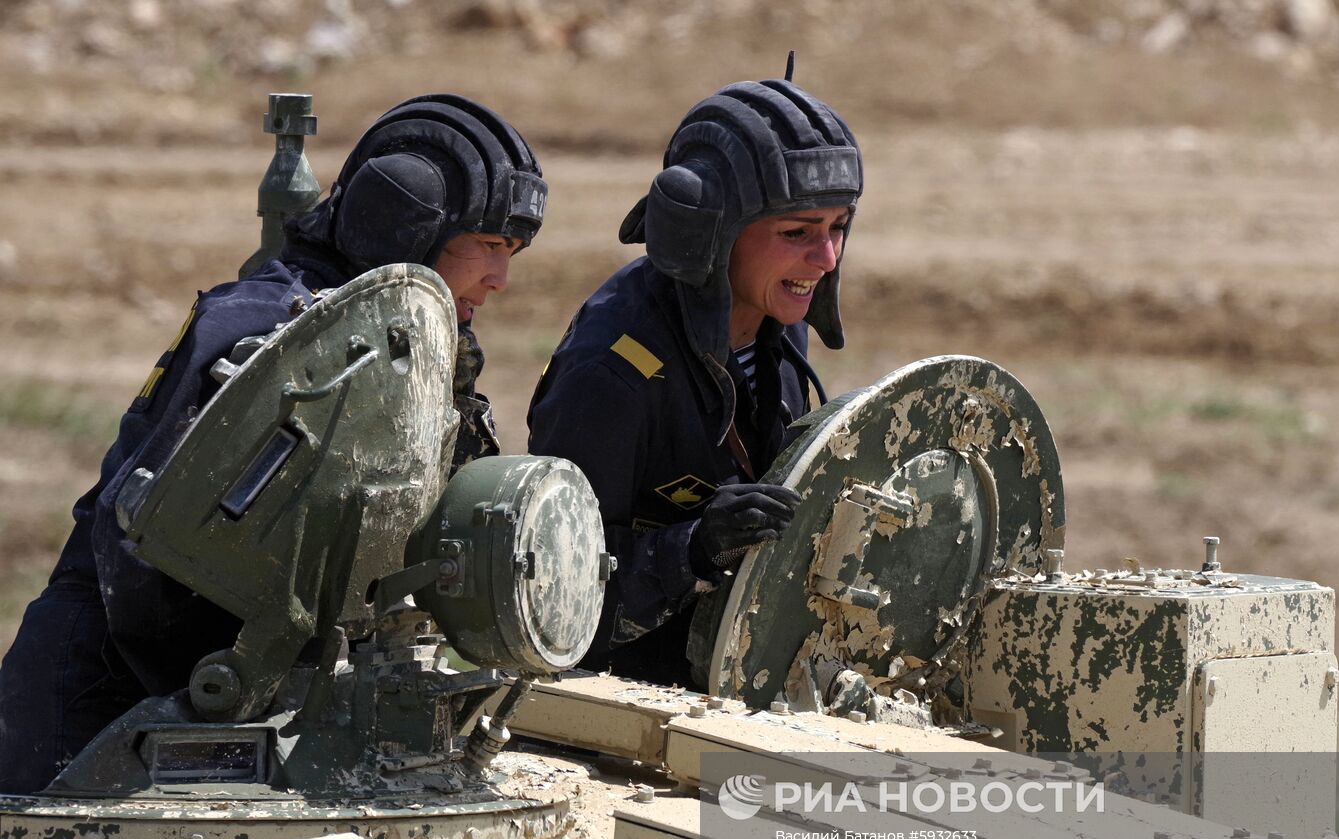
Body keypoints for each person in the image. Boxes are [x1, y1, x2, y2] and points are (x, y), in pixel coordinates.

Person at [0, 94, 547, 794]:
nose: (502, 280)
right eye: (492, 247)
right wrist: (207, 704)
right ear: (405, 225)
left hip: (254, 696)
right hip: (108, 691)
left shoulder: (413, 353)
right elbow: (135, 539)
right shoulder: (260, 332)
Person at [528, 78, 862, 686]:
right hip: (617, 702)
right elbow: (549, 599)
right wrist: (693, 551)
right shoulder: (611, 375)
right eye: (797, 233)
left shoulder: (774, 318)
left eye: (838, 227)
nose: (826, 258)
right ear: (712, 233)